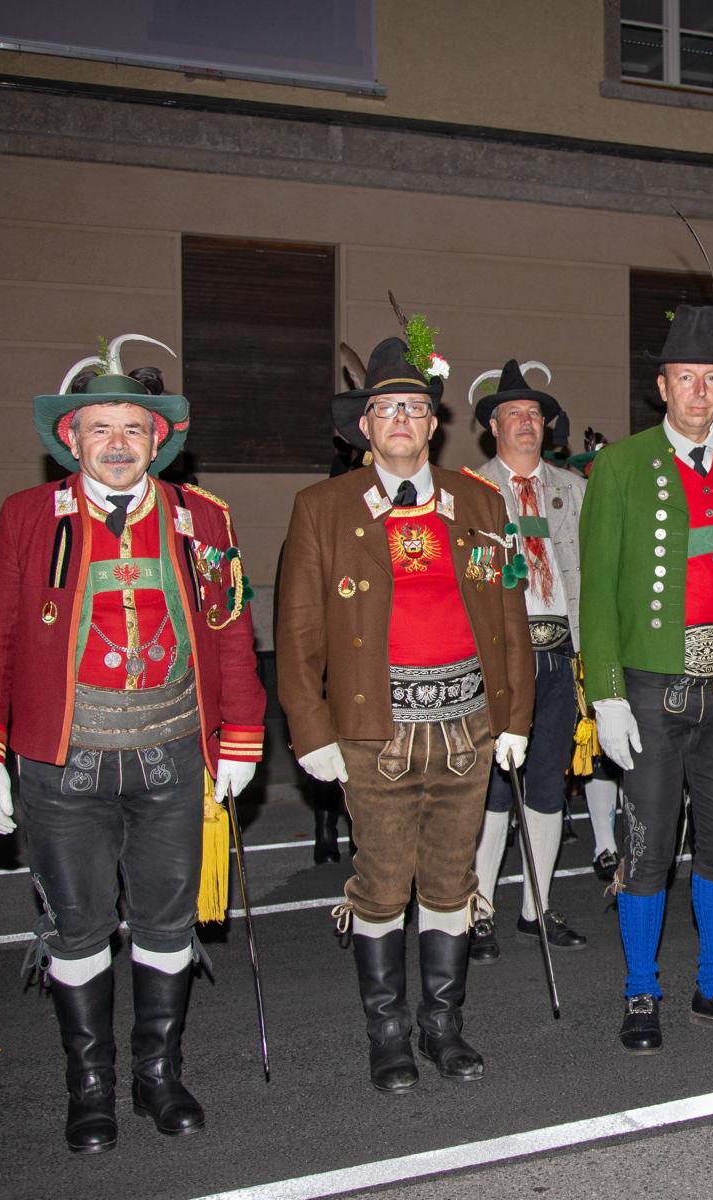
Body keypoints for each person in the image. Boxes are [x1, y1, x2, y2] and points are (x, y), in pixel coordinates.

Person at [0, 335, 266, 1152]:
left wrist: (241, 735)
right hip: (64, 765)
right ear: (72, 440)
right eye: (101, 428)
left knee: (168, 923)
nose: (119, 443)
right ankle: (89, 1084)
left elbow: (232, 633)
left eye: (134, 427)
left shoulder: (205, 520)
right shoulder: (26, 518)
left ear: (159, 440)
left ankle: (157, 1074)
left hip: (172, 760)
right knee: (78, 927)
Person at [278, 328, 536, 1092]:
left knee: (452, 885)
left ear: (433, 425)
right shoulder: (322, 508)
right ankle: (387, 1033)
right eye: (386, 408)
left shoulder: (481, 501)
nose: (401, 420)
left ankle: (442, 1026)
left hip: (467, 728)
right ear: (364, 426)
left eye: (415, 409)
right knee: (384, 887)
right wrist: (311, 728)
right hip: (373, 732)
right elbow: (296, 632)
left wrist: (515, 716)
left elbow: (510, 618)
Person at [578, 304, 713, 1053]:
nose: (700, 393)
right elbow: (597, 588)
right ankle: (642, 989)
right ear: (661, 387)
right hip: (651, 685)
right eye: (686, 380)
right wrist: (604, 691)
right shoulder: (622, 465)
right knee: (648, 843)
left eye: (711, 380)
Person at [465, 357, 590, 960]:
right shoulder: (469, 492)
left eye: (534, 415)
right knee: (492, 785)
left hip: (560, 653)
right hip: (499, 660)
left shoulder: (574, 490)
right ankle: (479, 910)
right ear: (493, 425)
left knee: (548, 782)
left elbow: (593, 578)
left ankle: (536, 908)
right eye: (512, 414)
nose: (524, 423)